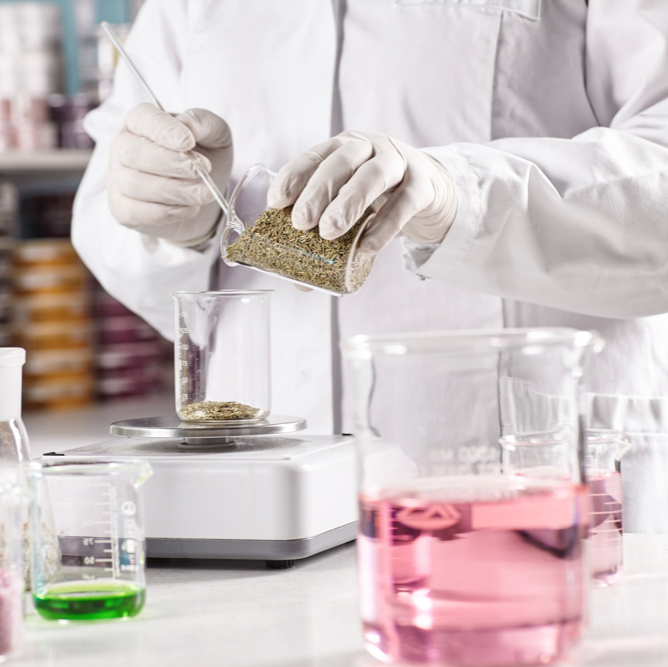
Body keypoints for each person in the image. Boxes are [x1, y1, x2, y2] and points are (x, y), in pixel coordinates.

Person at [71, 1, 668, 532]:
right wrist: (176, 221)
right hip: (260, 498)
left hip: (531, 476)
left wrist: (457, 195)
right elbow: (109, 209)